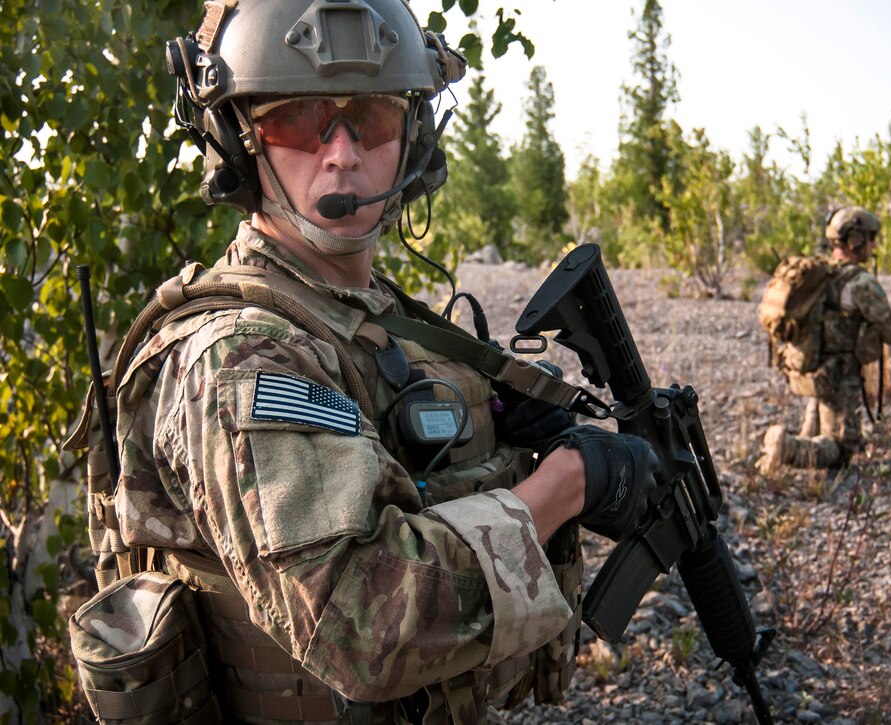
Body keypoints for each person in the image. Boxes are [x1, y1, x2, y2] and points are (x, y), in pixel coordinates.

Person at [101, 1, 662, 722]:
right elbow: (357, 624)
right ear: (240, 142)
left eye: (372, 119)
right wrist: (565, 485)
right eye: (298, 120)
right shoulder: (241, 352)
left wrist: (491, 422)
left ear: (415, 140)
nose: (341, 153)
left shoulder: (359, 308)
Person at [757, 206, 891, 474]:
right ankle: (788, 447)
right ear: (856, 240)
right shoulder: (860, 283)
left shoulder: (821, 273)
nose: (873, 245)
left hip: (809, 370)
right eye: (870, 238)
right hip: (837, 378)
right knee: (841, 451)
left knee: (827, 414)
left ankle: (806, 433)